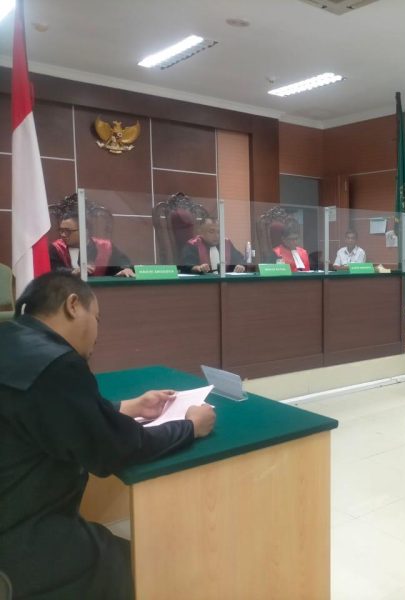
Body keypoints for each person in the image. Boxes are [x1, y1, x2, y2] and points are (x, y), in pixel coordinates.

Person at [0, 272, 217, 599]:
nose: (97, 333)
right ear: (73, 305)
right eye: (97, 318)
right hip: (23, 541)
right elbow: (118, 449)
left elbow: (53, 412)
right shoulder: (56, 364)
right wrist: (190, 427)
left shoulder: (11, 339)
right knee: (148, 567)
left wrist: (129, 406)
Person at [49, 212, 135, 277]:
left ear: (84, 231)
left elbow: (122, 263)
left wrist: (125, 269)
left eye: (68, 231)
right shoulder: (56, 247)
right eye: (61, 231)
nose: (63, 235)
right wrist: (73, 272)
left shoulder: (105, 246)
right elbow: (53, 269)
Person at [180, 218, 246, 274]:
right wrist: (198, 268)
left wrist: (240, 265)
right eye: (211, 232)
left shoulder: (226, 243)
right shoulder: (193, 245)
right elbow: (186, 265)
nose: (216, 236)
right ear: (201, 232)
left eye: (218, 232)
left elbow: (240, 259)